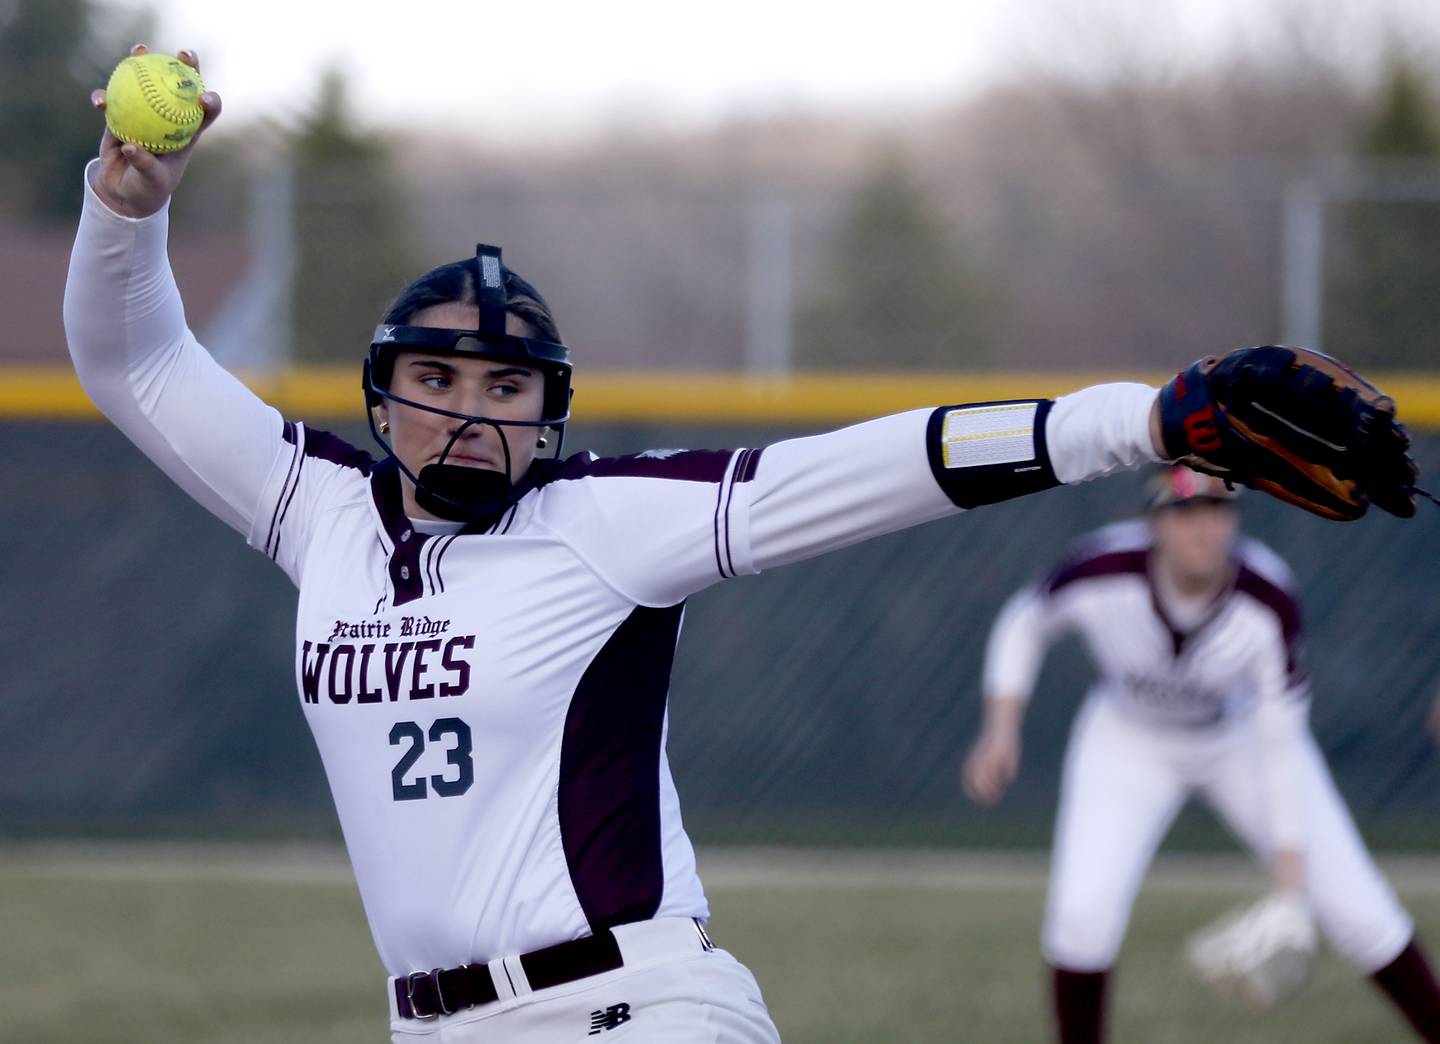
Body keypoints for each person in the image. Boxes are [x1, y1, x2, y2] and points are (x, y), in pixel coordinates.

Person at [65, 45, 1413, 1043]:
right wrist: (128, 210)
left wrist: (1140, 422)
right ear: (381, 396)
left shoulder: (595, 526)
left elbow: (868, 469)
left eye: (505, 390)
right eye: (437, 382)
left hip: (634, 1010)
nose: (469, 413)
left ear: (549, 414)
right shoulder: (320, 514)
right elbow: (131, 362)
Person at [962, 465, 1440, 1043]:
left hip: (1238, 740)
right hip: (1128, 739)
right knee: (1081, 919)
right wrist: (1000, 729)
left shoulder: (1266, 597)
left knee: (1362, 912)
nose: (1203, 529)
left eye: (1217, 511)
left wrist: (1290, 891)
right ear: (1154, 522)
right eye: (1185, 513)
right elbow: (1023, 622)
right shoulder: (1101, 569)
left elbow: (1282, 742)